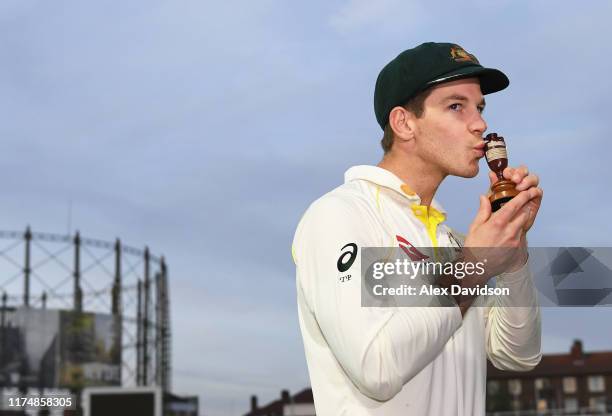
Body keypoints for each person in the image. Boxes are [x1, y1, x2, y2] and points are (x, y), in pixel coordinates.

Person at [291, 42, 543, 415]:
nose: (480, 123)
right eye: (457, 106)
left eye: (480, 108)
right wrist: (474, 266)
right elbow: (376, 367)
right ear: (404, 123)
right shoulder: (338, 215)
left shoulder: (453, 240)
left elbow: (518, 355)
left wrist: (513, 255)